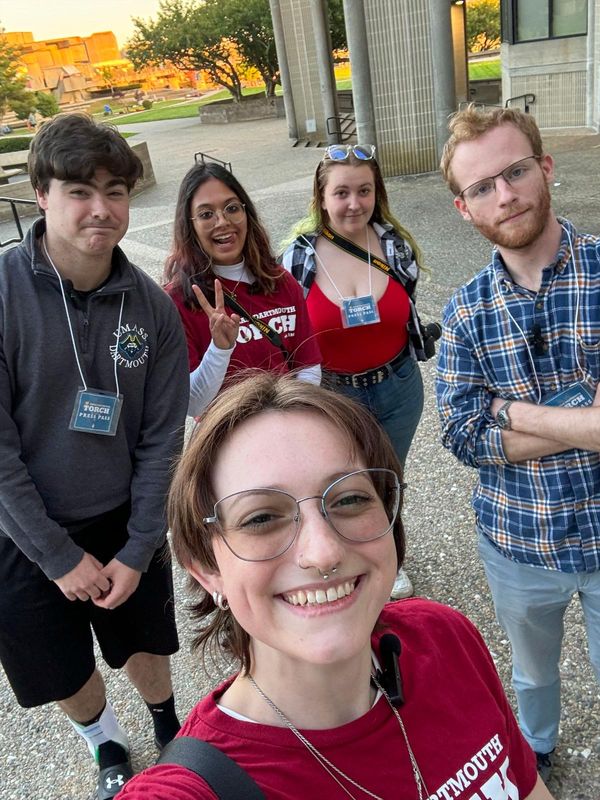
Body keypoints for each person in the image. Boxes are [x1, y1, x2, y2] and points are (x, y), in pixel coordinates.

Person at [117, 372, 552, 800]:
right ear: (207, 570)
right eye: (262, 518)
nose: (323, 553)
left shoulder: (445, 637)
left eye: (349, 499)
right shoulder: (194, 789)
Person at [0, 113, 189, 799]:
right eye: (80, 190)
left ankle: (168, 723)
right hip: (24, 536)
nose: (101, 208)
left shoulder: (151, 308)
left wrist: (139, 548)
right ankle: (105, 738)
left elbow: (163, 436)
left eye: (115, 189)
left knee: (144, 641)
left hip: (122, 522)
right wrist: (56, 556)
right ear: (42, 192)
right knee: (58, 666)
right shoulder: (4, 292)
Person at [436, 104, 600, 784]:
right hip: (518, 543)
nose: (504, 195)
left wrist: (508, 408)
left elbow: (487, 421)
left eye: (515, 172)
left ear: (545, 168)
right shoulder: (466, 309)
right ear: (463, 209)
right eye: (482, 187)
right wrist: (583, 427)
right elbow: (462, 432)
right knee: (531, 673)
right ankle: (534, 745)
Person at [281, 144, 434, 600]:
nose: (354, 204)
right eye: (342, 192)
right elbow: (286, 323)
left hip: (399, 385)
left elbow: (404, 307)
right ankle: (344, 558)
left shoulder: (394, 245)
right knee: (344, 483)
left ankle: (388, 555)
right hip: (334, 393)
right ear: (322, 198)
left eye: (364, 191)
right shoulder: (298, 257)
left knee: (388, 477)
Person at [164, 162, 321, 416]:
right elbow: (193, 404)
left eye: (232, 208)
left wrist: (292, 417)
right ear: (189, 225)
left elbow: (309, 365)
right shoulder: (178, 301)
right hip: (228, 442)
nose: (222, 222)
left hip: (288, 426)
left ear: (246, 213)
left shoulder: (280, 281)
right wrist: (219, 349)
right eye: (206, 214)